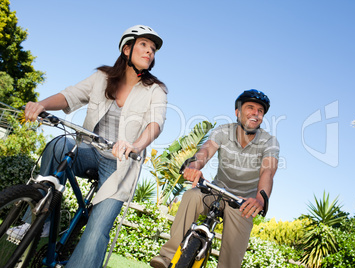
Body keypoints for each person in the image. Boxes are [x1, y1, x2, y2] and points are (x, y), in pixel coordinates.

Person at [23, 25, 168, 268]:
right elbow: (70, 96)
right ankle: (37, 218)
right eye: (144, 45)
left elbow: (156, 123)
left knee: (96, 230)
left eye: (153, 49)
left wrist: (134, 145)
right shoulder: (102, 77)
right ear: (126, 49)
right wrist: (41, 104)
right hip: (88, 151)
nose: (150, 52)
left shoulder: (156, 90)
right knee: (59, 144)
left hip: (119, 165)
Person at [150, 89, 279, 268]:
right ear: (238, 112)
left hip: (242, 203)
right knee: (192, 196)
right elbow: (205, 152)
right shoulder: (223, 131)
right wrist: (193, 167)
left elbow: (268, 171)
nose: (255, 114)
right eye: (250, 108)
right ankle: (168, 256)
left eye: (260, 111)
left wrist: (260, 199)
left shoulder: (269, 141)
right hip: (217, 190)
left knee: (231, 259)